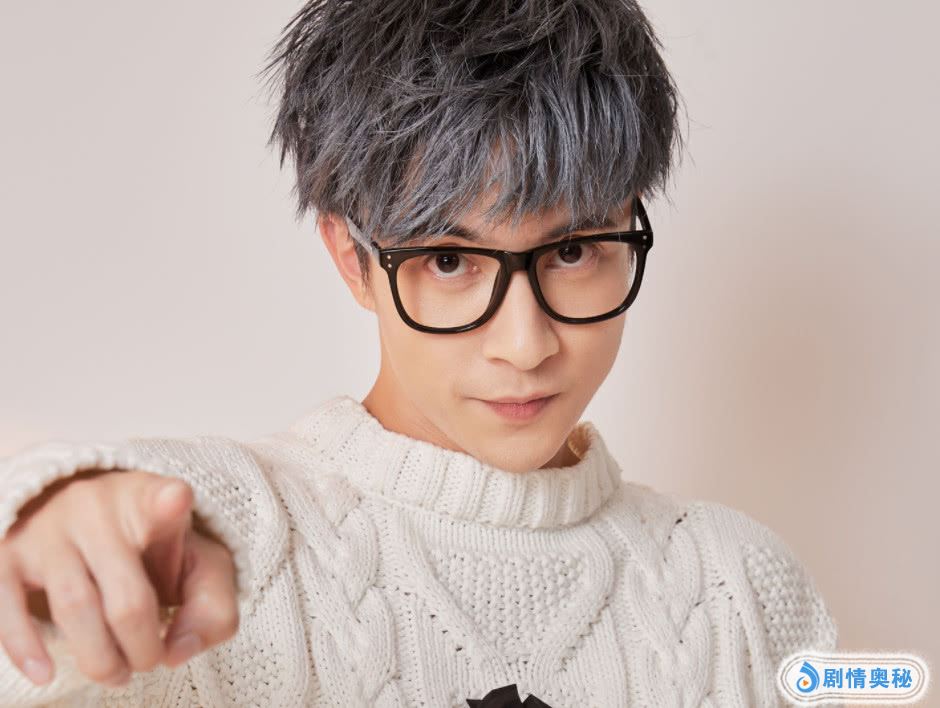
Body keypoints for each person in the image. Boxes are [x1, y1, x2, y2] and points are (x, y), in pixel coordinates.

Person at [0, 0, 838, 706]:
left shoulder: (742, 586)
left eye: (574, 250)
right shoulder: (221, 535)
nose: (525, 344)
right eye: (448, 261)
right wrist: (44, 519)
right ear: (352, 260)